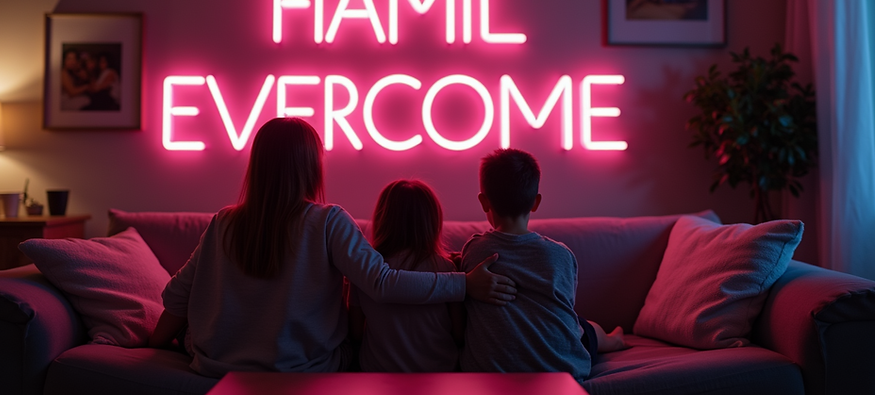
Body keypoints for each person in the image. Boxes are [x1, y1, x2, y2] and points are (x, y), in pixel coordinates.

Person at [149, 117, 516, 377]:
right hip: (301, 371)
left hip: (219, 367)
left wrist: (154, 346)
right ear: (310, 167)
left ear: (257, 165)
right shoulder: (326, 221)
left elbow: (177, 298)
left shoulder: (222, 222)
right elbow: (383, 284)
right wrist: (464, 283)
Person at [459, 148, 625, 378]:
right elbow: (564, 308)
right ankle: (614, 340)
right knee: (582, 326)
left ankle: (611, 338)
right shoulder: (561, 255)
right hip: (561, 369)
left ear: (483, 201)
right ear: (536, 202)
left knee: (581, 324)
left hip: (492, 372)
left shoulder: (474, 251)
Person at [348, 180, 463, 372]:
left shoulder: (364, 270)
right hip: (440, 372)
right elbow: (460, 334)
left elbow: (355, 333)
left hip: (378, 372)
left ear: (382, 219)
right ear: (432, 222)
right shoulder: (446, 268)